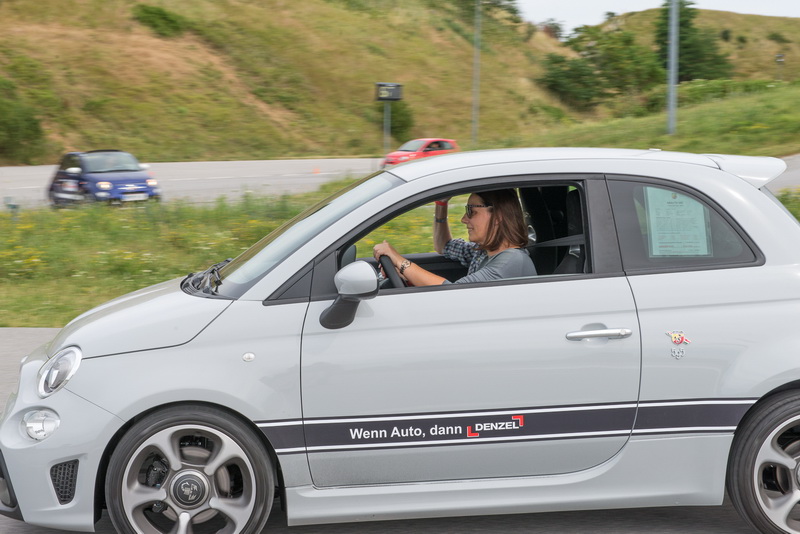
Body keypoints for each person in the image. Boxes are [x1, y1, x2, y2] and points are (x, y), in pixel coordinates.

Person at [373, 189, 536, 286]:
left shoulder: (512, 261)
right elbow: (443, 245)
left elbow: (452, 292)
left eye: (471, 211)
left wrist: (400, 261)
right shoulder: (482, 252)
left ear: (498, 216)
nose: (464, 219)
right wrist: (441, 205)